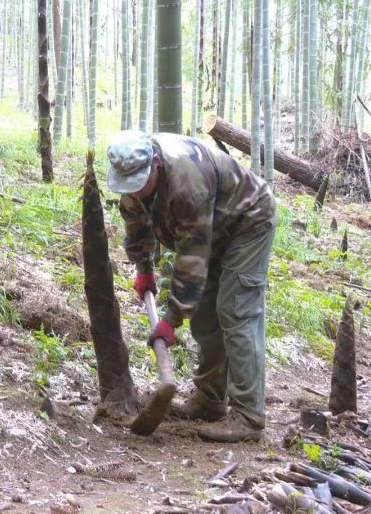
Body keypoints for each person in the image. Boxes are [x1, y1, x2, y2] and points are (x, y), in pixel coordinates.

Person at [106, 130, 277, 443]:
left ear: (155, 163)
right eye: (129, 185)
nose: (136, 190)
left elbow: (192, 258)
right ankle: (210, 399)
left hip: (247, 221)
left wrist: (170, 321)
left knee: (236, 310)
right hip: (212, 227)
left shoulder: (187, 184)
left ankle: (249, 416)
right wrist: (144, 271)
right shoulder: (131, 179)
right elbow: (137, 227)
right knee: (205, 314)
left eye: (140, 182)